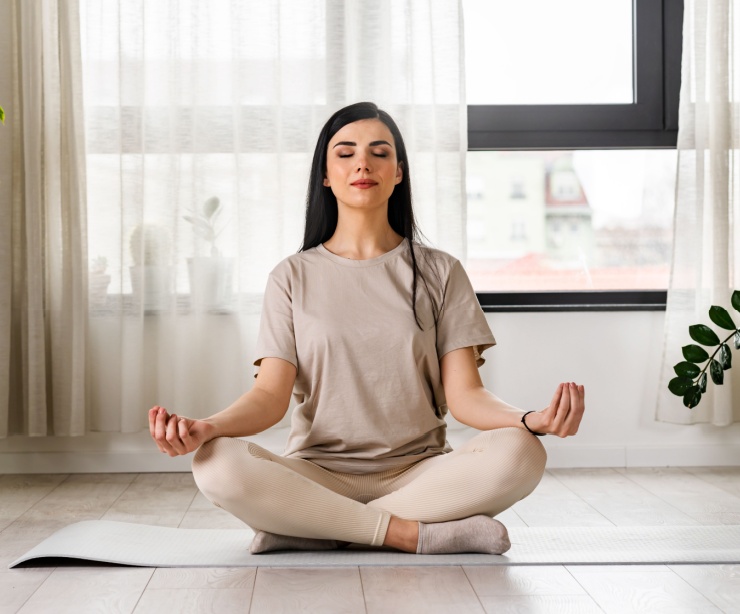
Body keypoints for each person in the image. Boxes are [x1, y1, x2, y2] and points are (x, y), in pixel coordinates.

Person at [148, 101, 585, 555]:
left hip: (421, 473)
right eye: (345, 152)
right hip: (318, 473)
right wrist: (206, 428)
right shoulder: (291, 276)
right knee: (216, 462)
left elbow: (465, 397)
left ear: (398, 172)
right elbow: (268, 398)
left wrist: (530, 421)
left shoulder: (440, 272)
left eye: (380, 152)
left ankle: (310, 527)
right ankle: (412, 534)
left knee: (523, 452)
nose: (363, 163)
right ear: (325, 174)